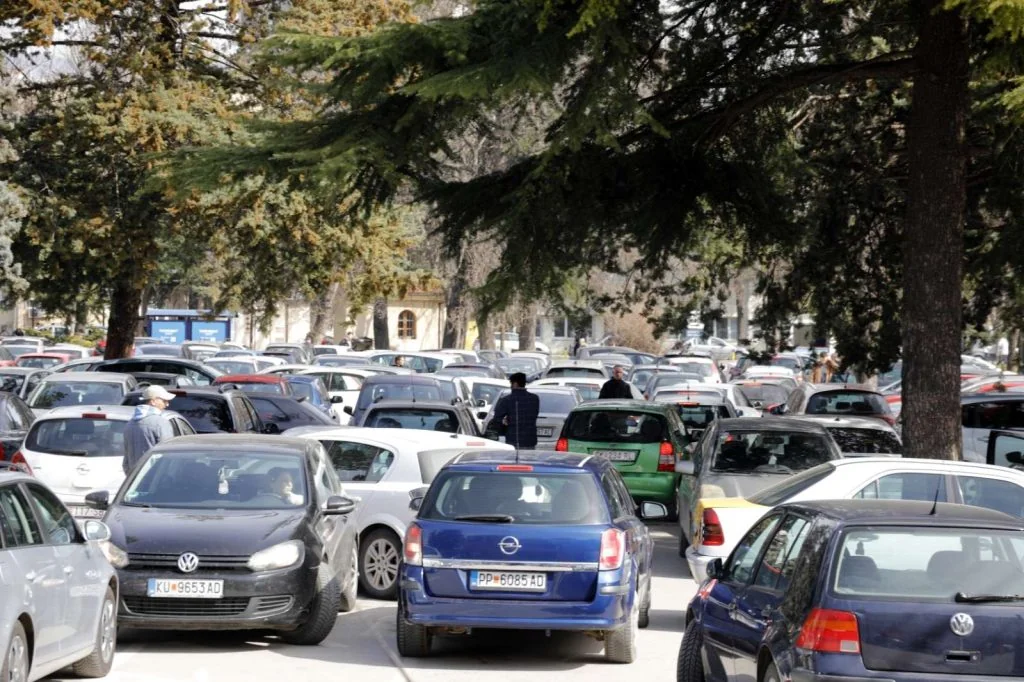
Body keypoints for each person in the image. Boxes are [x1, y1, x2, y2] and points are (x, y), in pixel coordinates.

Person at [122, 385, 176, 475]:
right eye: (164, 401)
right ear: (153, 401)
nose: (167, 404)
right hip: (155, 478)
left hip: (135, 479)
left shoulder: (130, 424)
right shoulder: (160, 422)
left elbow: (126, 461)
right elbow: (168, 455)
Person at [487, 372, 540, 448]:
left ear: (515, 384)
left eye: (511, 383)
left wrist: (504, 425)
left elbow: (497, 419)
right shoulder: (534, 399)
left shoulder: (507, 400)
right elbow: (534, 415)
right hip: (530, 439)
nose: (510, 386)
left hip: (513, 439)